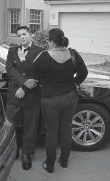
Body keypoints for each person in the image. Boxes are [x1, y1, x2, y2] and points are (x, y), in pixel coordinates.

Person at [31, 28, 88, 173]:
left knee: (51, 132)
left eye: (48, 41)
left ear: (50, 41)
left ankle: (49, 165)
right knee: (66, 129)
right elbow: (84, 72)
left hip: (50, 99)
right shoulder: (73, 53)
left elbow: (32, 73)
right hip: (70, 96)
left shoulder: (44, 56)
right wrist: (75, 82)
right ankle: (64, 161)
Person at [5, 26, 43, 170]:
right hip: (14, 95)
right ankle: (12, 151)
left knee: (30, 127)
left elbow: (38, 74)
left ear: (31, 35)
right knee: (12, 126)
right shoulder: (12, 51)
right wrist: (22, 84)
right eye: (19, 35)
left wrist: (25, 88)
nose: (22, 37)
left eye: (24, 34)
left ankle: (26, 154)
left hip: (31, 96)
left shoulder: (40, 52)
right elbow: (9, 69)